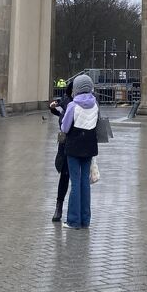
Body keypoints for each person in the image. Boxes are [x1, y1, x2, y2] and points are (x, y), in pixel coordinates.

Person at [60, 73, 99, 229]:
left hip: (74, 147)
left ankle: (73, 220)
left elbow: (65, 127)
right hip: (89, 147)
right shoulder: (96, 104)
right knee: (85, 183)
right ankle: (85, 219)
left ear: (76, 89)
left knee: (75, 183)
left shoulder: (72, 106)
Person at [49, 79, 73, 222]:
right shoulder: (65, 101)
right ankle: (59, 206)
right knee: (64, 176)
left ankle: (72, 209)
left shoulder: (82, 103)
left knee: (75, 179)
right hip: (65, 144)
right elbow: (61, 115)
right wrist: (53, 108)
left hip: (77, 143)